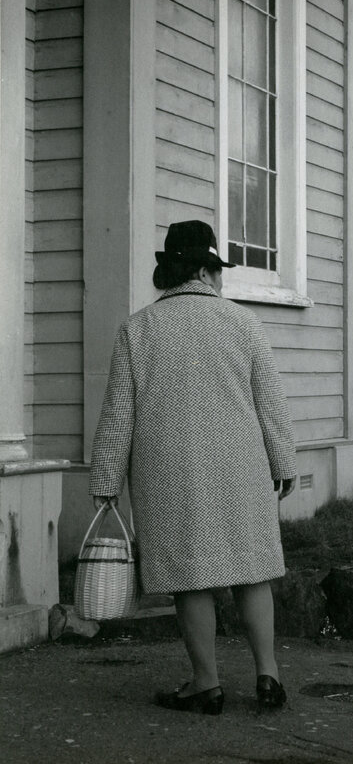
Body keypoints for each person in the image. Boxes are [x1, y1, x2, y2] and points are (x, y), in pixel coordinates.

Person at [89, 220, 298, 715]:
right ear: (206, 270)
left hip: (169, 470)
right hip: (241, 464)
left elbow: (119, 413)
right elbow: (270, 403)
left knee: (192, 576)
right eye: (217, 269)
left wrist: (105, 480)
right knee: (252, 570)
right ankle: (267, 675)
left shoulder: (137, 329)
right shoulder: (243, 322)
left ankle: (206, 683)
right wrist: (284, 461)